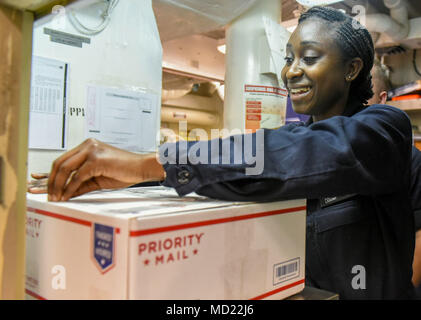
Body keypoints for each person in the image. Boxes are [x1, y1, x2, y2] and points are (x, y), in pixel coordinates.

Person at [29, 6, 416, 299]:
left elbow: (299, 155)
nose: (292, 71)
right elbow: (242, 170)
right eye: (288, 58)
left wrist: (153, 161)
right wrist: (121, 182)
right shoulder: (290, 136)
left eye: (309, 58)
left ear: (351, 69)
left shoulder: (385, 130)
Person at [368, 59, 421, 297]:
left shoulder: (410, 160)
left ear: (381, 99)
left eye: (362, 98)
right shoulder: (328, 156)